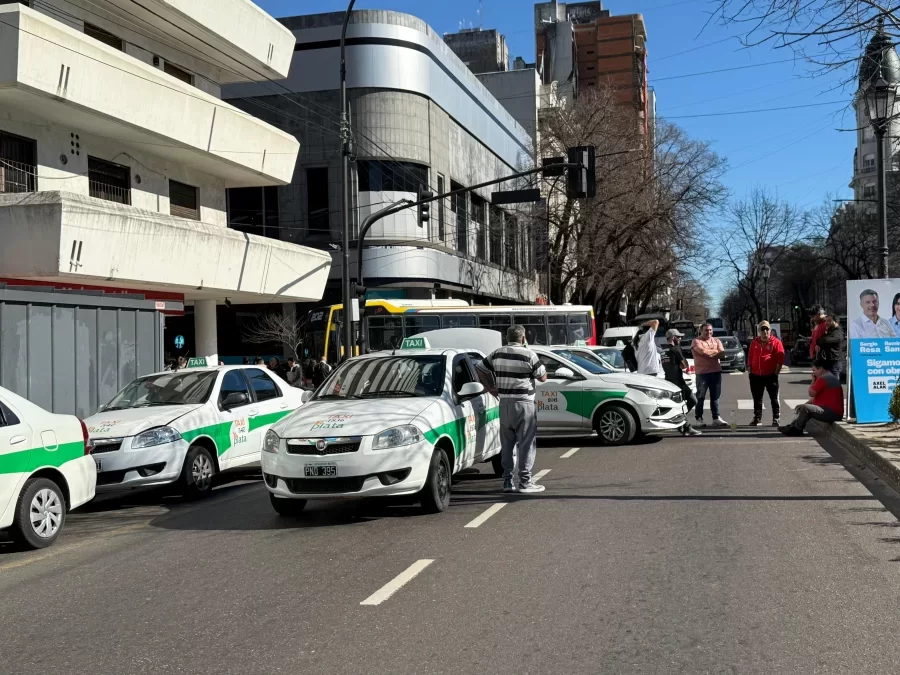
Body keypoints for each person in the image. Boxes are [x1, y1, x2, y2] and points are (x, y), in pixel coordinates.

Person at [477, 325, 548, 494]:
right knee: (526, 443)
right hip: (524, 404)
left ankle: (508, 481)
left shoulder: (497, 353)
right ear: (523, 338)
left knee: (507, 443)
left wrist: (490, 387)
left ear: (506, 338)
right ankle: (525, 481)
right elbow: (543, 377)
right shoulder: (529, 354)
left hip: (504, 403)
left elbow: (480, 368)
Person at [779, 359, 844, 436]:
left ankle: (797, 429)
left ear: (821, 369)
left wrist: (813, 380)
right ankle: (791, 427)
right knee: (802, 407)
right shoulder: (829, 376)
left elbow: (811, 393)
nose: (813, 373)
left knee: (805, 408)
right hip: (832, 411)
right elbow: (815, 397)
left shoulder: (823, 378)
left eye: (814, 370)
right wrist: (803, 405)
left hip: (832, 412)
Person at [662, 328, 702, 436]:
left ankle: (681, 424)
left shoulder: (663, 350)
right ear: (673, 338)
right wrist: (681, 364)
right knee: (692, 401)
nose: (680, 339)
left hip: (668, 381)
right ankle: (684, 426)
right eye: (678, 337)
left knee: (681, 404)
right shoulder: (676, 349)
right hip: (678, 382)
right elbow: (685, 365)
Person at [747, 320, 785, 427]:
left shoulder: (776, 342)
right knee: (757, 398)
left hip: (770, 375)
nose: (765, 332)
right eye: (762, 329)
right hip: (755, 375)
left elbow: (780, 359)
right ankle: (757, 418)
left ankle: (776, 417)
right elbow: (750, 356)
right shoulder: (754, 342)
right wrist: (749, 369)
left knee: (774, 398)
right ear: (759, 331)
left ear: (770, 330)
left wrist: (775, 373)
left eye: (767, 329)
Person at [691, 322, 728, 427]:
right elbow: (702, 352)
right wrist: (715, 352)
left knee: (715, 396)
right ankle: (699, 418)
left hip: (716, 372)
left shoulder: (717, 340)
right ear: (701, 331)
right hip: (702, 374)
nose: (709, 332)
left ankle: (716, 418)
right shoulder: (696, 341)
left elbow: (722, 354)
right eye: (706, 330)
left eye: (710, 330)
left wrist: (710, 353)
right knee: (700, 397)